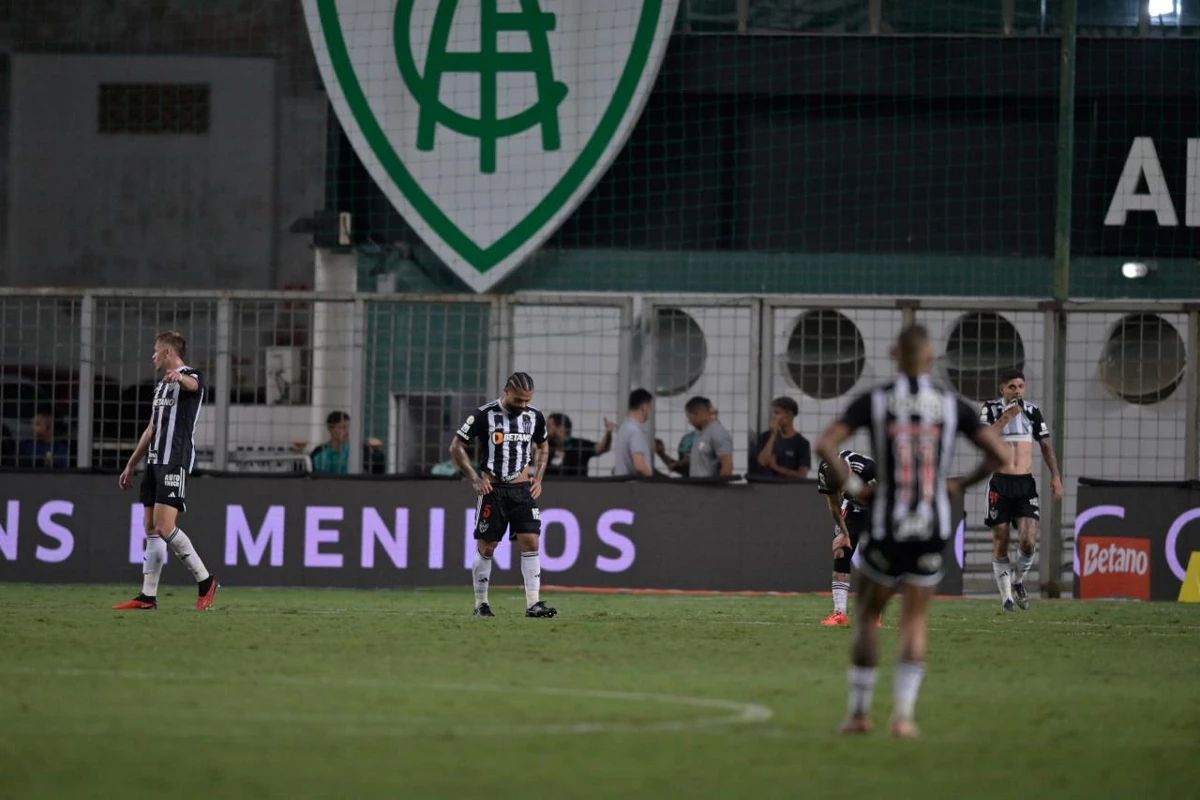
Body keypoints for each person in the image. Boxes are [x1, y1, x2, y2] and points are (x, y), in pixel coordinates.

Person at [815, 325, 1006, 738]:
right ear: (931, 358)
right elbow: (999, 453)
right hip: (931, 522)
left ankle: (860, 714)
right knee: (915, 620)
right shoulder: (951, 404)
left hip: (888, 522)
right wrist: (956, 485)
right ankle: (903, 717)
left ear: (893, 354)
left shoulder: (876, 400)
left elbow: (825, 444)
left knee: (868, 616)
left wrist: (854, 488)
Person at [113, 331, 219, 611]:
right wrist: (132, 463)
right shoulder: (161, 386)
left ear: (168, 353)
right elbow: (152, 427)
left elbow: (193, 386)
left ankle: (205, 580)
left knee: (164, 526)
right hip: (154, 460)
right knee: (150, 529)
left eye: (156, 350)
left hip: (175, 459)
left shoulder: (190, 375)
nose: (153, 355)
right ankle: (148, 596)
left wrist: (180, 378)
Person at [450, 371, 557, 619]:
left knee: (531, 540)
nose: (523, 405)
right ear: (506, 391)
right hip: (493, 489)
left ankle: (534, 603)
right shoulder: (483, 414)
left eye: (527, 401)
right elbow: (456, 445)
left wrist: (539, 477)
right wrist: (475, 477)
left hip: (522, 489)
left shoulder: (534, 417)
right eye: (519, 400)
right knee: (488, 546)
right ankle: (481, 603)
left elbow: (543, 446)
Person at [980, 369, 1064, 611]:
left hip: (1025, 484)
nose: (1017, 391)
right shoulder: (991, 409)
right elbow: (983, 439)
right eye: (1012, 387)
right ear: (1002, 389)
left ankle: (1018, 581)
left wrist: (1056, 476)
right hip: (1000, 484)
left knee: (1028, 540)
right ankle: (1006, 599)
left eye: (1021, 387)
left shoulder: (1032, 411)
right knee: (1001, 538)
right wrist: (1007, 416)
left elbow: (1046, 445)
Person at [816, 449, 877, 627]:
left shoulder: (868, 469)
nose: (841, 489)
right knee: (841, 552)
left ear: (849, 472)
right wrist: (844, 533)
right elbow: (834, 504)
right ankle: (840, 613)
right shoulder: (825, 471)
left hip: (877, 506)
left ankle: (875, 613)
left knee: (875, 557)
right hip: (852, 508)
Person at [751, 397, 811, 479]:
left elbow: (802, 475)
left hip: (788, 489)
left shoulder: (802, 443)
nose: (774, 417)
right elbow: (762, 461)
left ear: (789, 415)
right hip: (766, 488)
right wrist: (773, 435)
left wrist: (776, 467)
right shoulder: (766, 436)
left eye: (777, 413)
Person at [310, 411, 385, 475]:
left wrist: (376, 452)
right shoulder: (319, 452)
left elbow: (377, 471)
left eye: (349, 427)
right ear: (331, 429)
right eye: (342, 427)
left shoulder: (360, 450)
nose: (347, 431)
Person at [676, 397, 733, 478]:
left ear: (695, 414)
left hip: (709, 488)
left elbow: (727, 465)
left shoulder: (717, 433)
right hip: (696, 488)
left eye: (689, 417)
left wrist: (720, 489)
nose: (690, 422)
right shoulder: (700, 434)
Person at [544, 413, 613, 477]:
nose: (545, 429)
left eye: (549, 426)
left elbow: (602, 448)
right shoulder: (545, 447)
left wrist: (608, 433)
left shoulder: (579, 445)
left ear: (561, 428)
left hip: (577, 487)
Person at [612, 388, 655, 477]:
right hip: (634, 488)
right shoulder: (636, 432)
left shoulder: (623, 428)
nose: (650, 411)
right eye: (650, 407)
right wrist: (651, 478)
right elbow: (640, 466)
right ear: (644, 407)